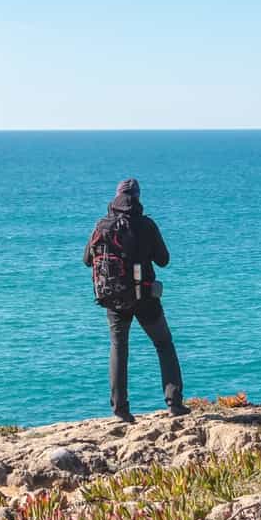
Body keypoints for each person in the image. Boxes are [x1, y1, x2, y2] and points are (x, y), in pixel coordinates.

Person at [84, 177, 187, 420]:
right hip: (145, 298)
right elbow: (164, 259)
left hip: (114, 298)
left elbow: (87, 260)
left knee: (119, 349)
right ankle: (174, 404)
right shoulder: (145, 225)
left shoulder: (102, 225)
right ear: (138, 198)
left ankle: (120, 410)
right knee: (164, 345)